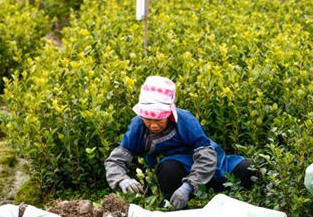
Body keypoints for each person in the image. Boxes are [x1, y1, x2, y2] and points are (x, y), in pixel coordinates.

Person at [105, 76, 257, 209]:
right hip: (173, 174)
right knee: (168, 168)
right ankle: (178, 207)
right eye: (148, 119)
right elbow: (116, 160)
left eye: (159, 119)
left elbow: (206, 156)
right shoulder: (138, 126)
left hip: (213, 167)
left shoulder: (185, 120)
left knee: (248, 169)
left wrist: (189, 186)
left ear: (169, 113)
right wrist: (122, 179)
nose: (153, 125)